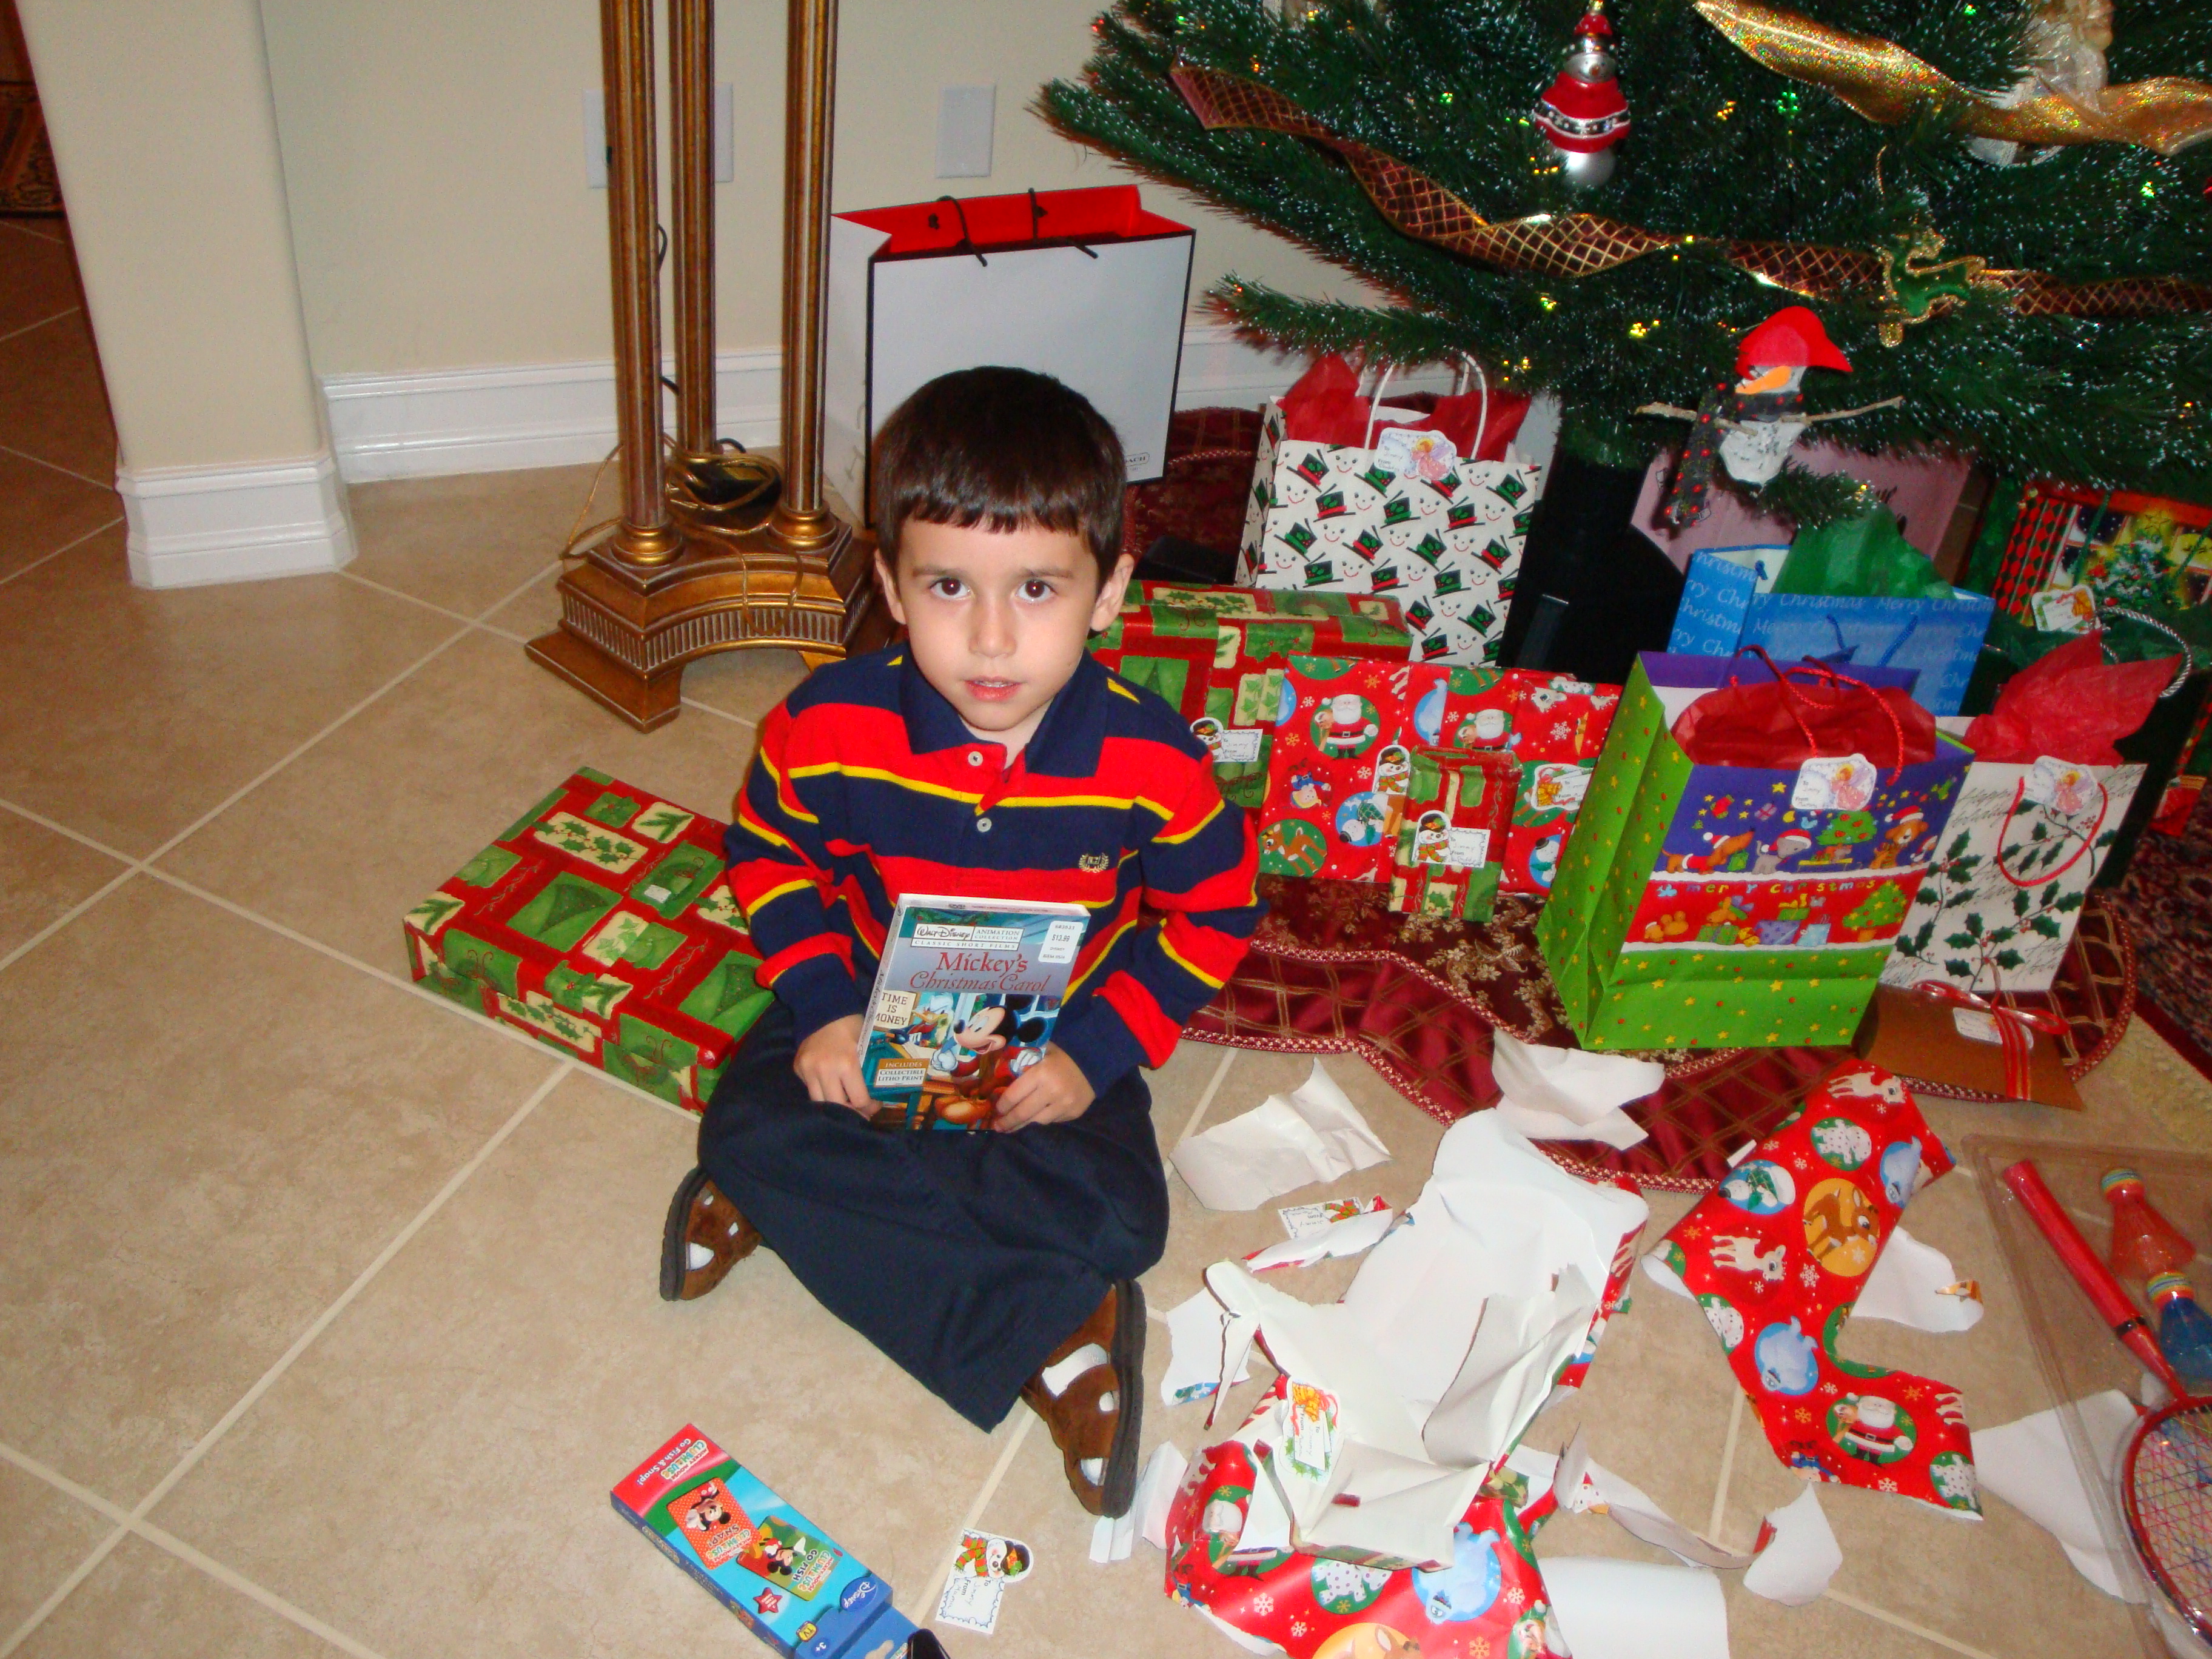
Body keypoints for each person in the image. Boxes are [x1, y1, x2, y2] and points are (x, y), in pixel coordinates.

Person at [657, 366, 1263, 1518]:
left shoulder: (1155, 760)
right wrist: (825, 1008)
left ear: (1109, 592)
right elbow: (769, 855)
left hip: (1053, 1035)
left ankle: (790, 1206)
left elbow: (1219, 910)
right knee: (746, 1121)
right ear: (890, 584)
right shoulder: (824, 724)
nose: (990, 638)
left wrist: (1095, 1052)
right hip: (866, 1004)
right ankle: (1053, 1341)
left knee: (1126, 1222)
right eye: (948, 586)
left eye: (1036, 588)